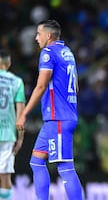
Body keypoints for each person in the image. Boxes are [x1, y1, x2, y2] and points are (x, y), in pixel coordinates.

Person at [16, 19, 83, 200]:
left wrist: (23, 113)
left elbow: (41, 86)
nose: (36, 38)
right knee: (36, 161)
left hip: (58, 117)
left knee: (64, 167)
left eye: (38, 34)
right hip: (57, 117)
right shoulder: (67, 52)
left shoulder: (48, 53)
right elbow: (75, 87)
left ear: (49, 35)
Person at [0, 49, 26, 200]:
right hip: (8, 134)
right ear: (8, 64)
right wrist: (20, 138)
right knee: (5, 177)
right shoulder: (17, 81)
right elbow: (21, 113)